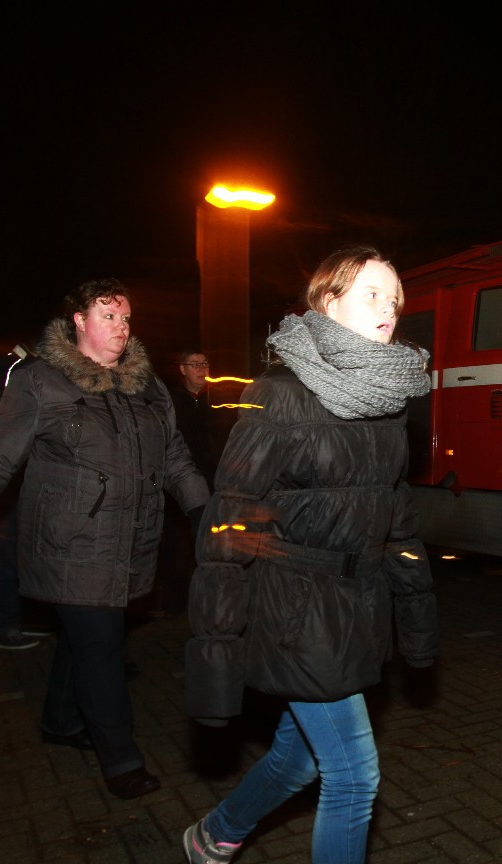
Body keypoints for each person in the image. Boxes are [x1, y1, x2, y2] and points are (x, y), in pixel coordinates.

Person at [183, 245, 438, 864]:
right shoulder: (280, 395)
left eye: (394, 298)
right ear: (328, 302)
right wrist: (215, 654)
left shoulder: (387, 397)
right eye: (371, 294)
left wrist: (417, 620)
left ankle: (214, 834)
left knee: (297, 761)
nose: (388, 308)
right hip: (295, 608)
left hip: (359, 605)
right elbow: (227, 520)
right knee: (354, 778)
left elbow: (397, 519)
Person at [0, 278, 209, 800]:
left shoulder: (148, 386)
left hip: (131, 543)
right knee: (101, 647)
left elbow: (174, 457)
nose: (121, 328)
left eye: (126, 318)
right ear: (79, 321)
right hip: (73, 543)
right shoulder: (42, 381)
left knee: (85, 640)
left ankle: (61, 721)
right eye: (108, 316)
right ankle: (121, 758)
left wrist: (200, 507)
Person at [0, 344, 50, 649]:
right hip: (12, 480)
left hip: (21, 478)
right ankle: (0, 625)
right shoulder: (9, 369)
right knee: (8, 553)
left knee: (24, 553)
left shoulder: (14, 368)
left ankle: (19, 618)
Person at [153, 348, 215, 618]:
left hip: (212, 483)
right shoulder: (171, 401)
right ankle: (173, 606)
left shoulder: (220, 401)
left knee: (210, 547)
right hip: (179, 486)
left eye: (205, 363)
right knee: (176, 548)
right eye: (194, 364)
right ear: (182, 369)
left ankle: (209, 605)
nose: (202, 369)